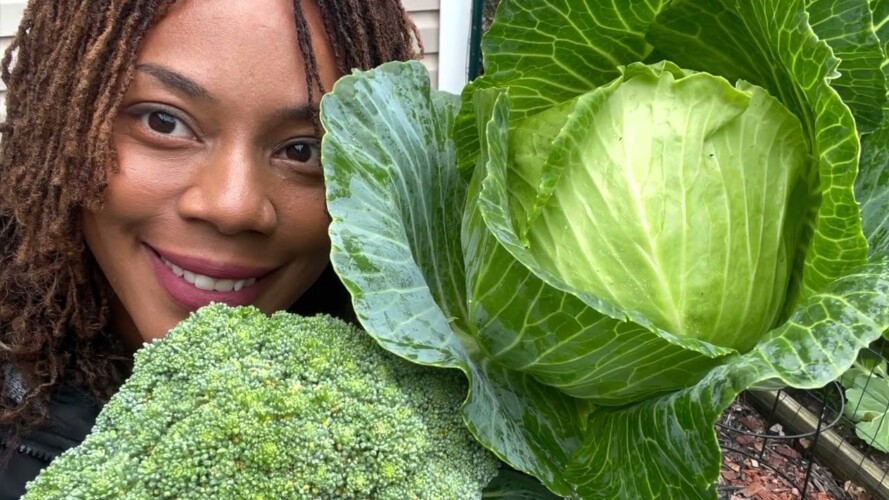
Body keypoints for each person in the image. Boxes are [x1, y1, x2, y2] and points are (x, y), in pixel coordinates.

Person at [0, 0, 422, 496]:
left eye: (304, 149)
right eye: (163, 121)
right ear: (57, 119)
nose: (233, 207)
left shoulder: (426, 394)